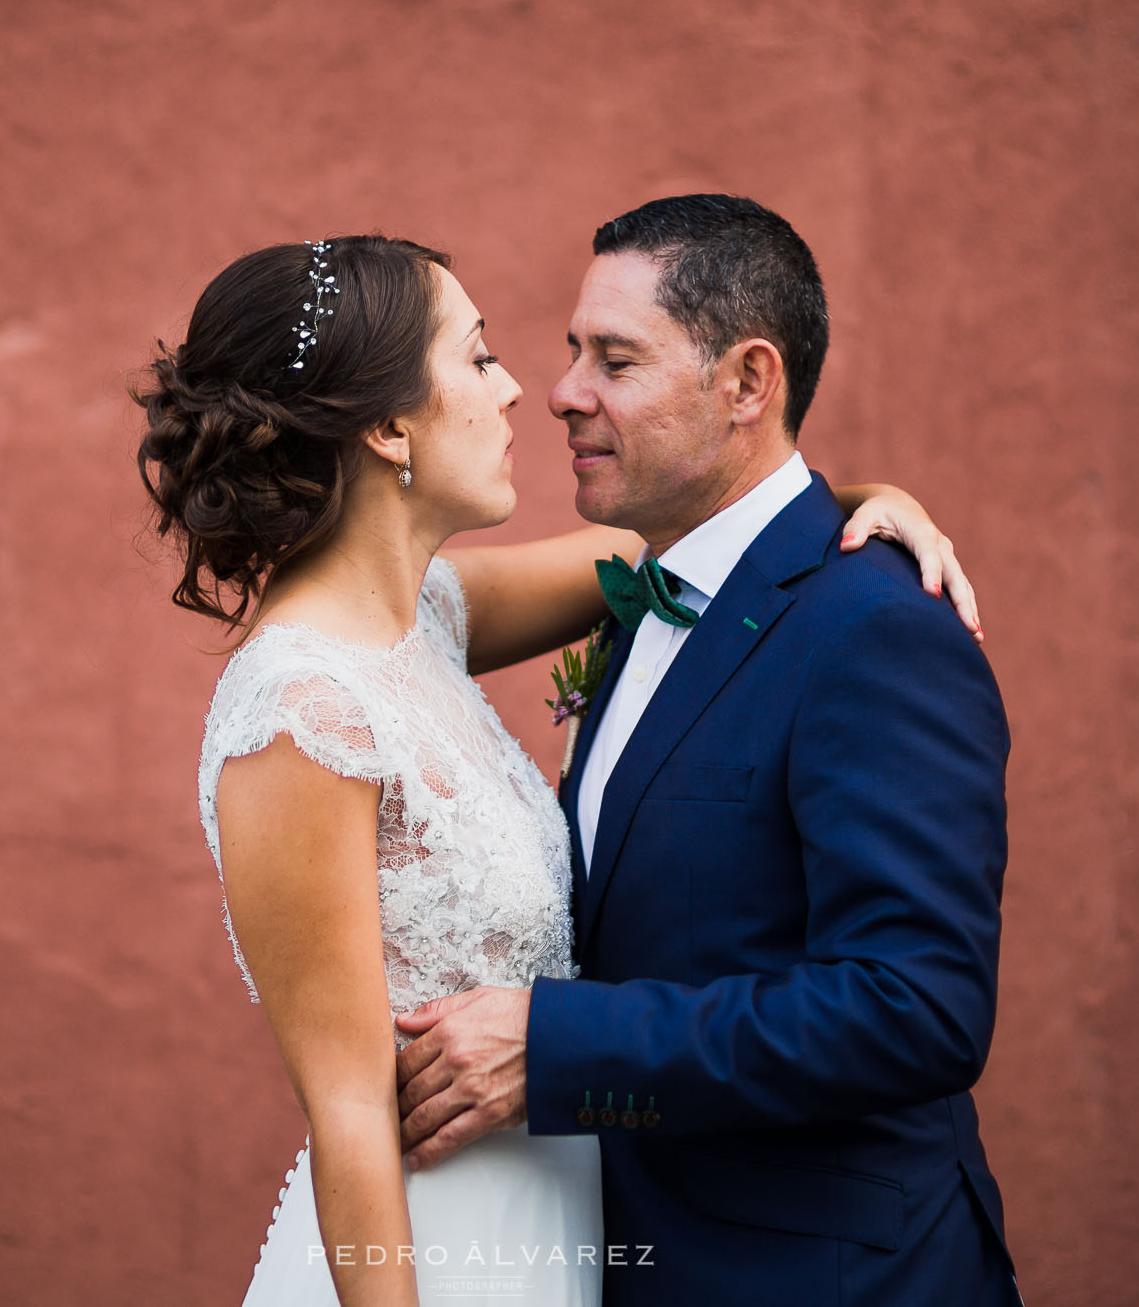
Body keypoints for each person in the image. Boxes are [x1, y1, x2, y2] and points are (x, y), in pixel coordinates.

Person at [136, 232, 981, 1306]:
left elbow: (705, 541)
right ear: (389, 427)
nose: (525, 394)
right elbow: (350, 1115)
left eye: (607, 360)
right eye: (479, 358)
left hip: (573, 1228)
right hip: (442, 1244)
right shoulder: (300, 710)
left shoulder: (427, 617)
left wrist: (872, 496)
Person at [390, 196, 1020, 1306]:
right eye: (572, 350)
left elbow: (914, 1008)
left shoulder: (876, 629)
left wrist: (557, 1046)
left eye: (615, 360)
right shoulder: (643, 594)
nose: (561, 391)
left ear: (746, 384)